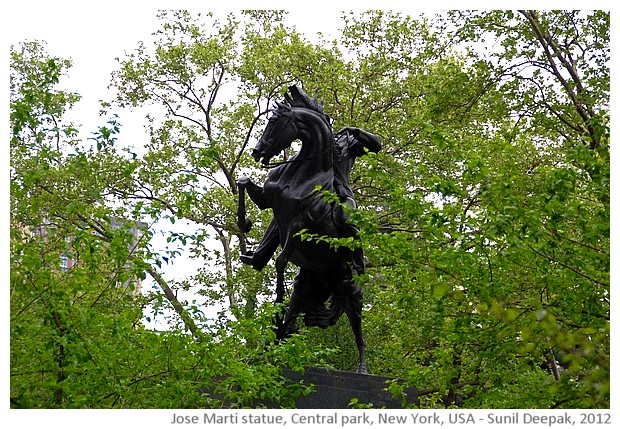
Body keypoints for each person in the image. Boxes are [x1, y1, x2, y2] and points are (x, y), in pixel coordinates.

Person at [240, 126, 382, 273]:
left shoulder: (349, 142)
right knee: (285, 211)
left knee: (348, 220)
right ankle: (260, 256)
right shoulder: (317, 147)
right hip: (315, 191)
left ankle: (358, 265)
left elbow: (376, 145)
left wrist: (354, 131)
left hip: (340, 194)